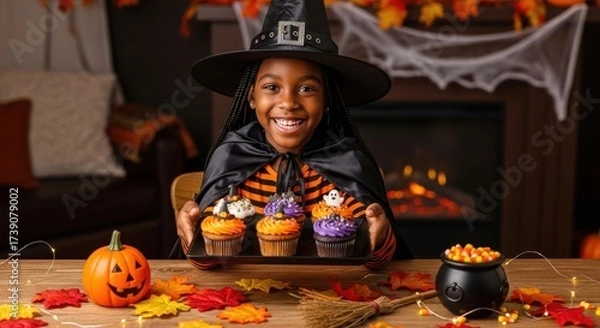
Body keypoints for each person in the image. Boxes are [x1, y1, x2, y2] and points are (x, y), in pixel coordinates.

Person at [174, 0, 413, 270]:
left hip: (329, 295)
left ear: (327, 99)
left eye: (307, 89)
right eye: (272, 87)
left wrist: (378, 239)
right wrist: (191, 232)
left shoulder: (347, 162)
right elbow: (209, 262)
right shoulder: (231, 156)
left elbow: (375, 263)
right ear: (252, 96)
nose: (288, 103)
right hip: (248, 297)